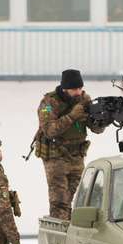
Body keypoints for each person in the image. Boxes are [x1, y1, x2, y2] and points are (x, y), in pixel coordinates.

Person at [36, 69, 106, 220]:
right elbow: (49, 130)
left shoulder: (84, 99)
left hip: (77, 156)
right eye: (74, 89)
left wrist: (102, 120)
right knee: (59, 201)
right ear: (64, 88)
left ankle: (69, 230)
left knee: (75, 197)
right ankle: (59, 237)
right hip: (56, 157)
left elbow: (96, 129)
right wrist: (72, 116)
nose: (78, 92)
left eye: (80, 88)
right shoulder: (49, 102)